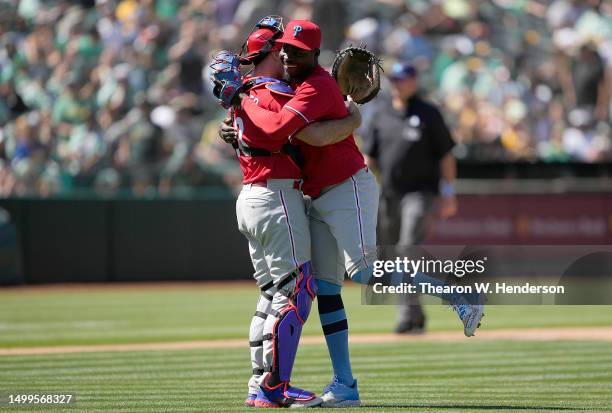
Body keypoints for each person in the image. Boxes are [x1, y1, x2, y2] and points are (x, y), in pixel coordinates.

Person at [211, 16, 361, 408]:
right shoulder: (268, 90)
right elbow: (279, 127)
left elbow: (241, 128)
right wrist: (352, 119)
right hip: (275, 198)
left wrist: (236, 95)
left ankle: (258, 383)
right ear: (271, 54)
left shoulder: (252, 90)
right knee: (296, 292)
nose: (286, 55)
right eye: (281, 49)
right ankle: (274, 386)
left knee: (268, 296)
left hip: (251, 196)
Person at [363, 62, 466, 334]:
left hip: (420, 193)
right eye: (395, 79)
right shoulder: (381, 113)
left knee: (407, 248)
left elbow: (446, 154)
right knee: (394, 254)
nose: (399, 83)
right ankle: (416, 314)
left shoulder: (428, 112)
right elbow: (369, 157)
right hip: (389, 193)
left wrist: (448, 192)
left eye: (404, 79)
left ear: (414, 81)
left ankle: (406, 316)